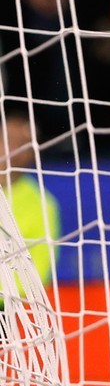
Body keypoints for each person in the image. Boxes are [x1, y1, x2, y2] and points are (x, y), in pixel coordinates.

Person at [1, 109, 61, 291]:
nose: (12, 149)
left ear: (32, 153)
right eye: (6, 139)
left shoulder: (43, 204)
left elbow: (38, 272)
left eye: (21, 143)